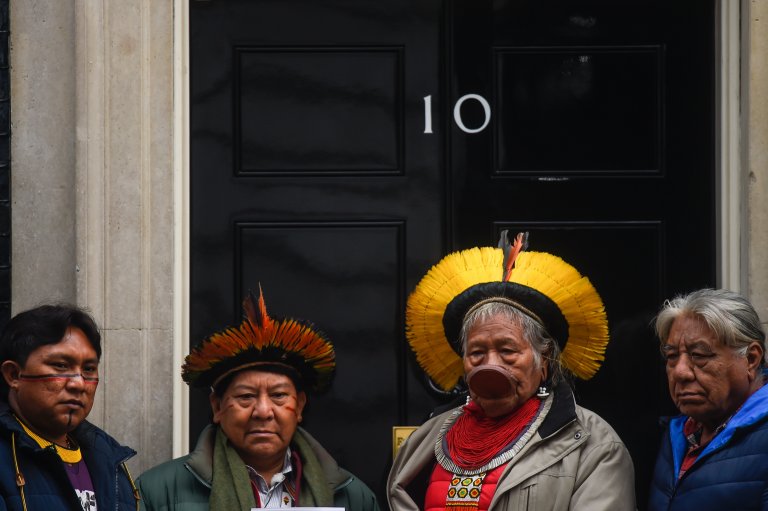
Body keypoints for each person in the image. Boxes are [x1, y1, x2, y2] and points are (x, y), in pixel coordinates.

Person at [388, 231, 636, 510]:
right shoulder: (428, 437)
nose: (490, 364)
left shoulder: (595, 445)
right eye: (477, 353)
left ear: (544, 360)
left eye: (507, 351)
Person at [137, 286, 380, 510]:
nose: (263, 411)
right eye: (246, 396)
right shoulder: (158, 493)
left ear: (299, 406)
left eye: (278, 395)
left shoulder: (352, 497)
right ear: (217, 407)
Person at [0, 304, 140, 511]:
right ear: (13, 375)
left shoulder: (111, 462)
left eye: (89, 369)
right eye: (61, 365)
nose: (79, 383)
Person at [648, 288, 768, 510]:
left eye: (700, 355)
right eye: (672, 356)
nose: (680, 372)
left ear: (751, 359)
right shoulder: (677, 434)